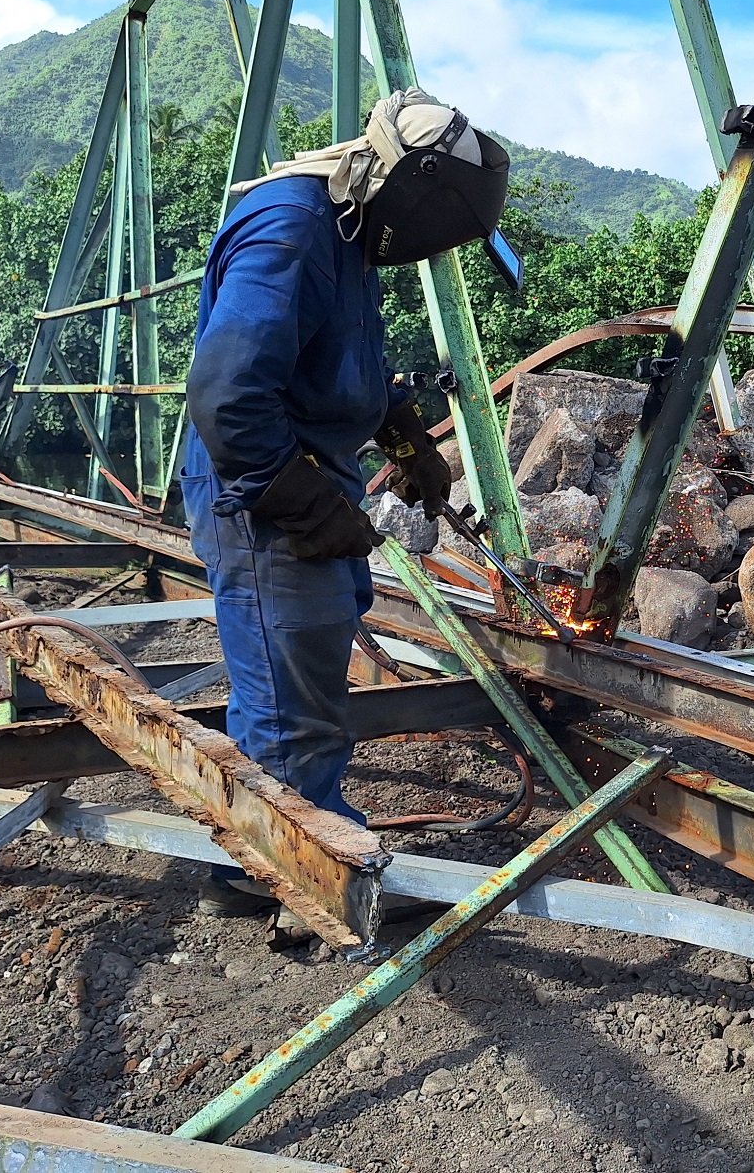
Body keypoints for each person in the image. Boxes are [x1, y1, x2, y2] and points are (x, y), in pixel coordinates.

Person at [181, 88, 509, 916]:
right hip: (259, 496)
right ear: (419, 188)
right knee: (294, 696)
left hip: (295, 476)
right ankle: (309, 879)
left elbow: (337, 356)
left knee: (294, 673)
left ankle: (256, 862)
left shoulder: (349, 228)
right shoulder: (294, 228)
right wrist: (307, 505)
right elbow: (227, 395)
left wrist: (404, 436)